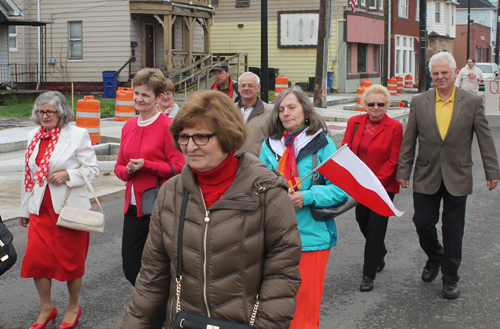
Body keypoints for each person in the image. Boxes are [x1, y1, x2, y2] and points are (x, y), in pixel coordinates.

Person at [121, 90, 302, 328]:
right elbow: (152, 275)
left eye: (201, 137)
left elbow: (281, 275)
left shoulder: (267, 192)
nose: (190, 146)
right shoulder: (171, 192)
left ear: (228, 136)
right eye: (183, 137)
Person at [397, 52, 500, 299]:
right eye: (436, 73)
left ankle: (450, 277)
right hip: (427, 173)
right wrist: (404, 169)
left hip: (458, 174)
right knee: (422, 223)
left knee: (454, 231)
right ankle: (435, 256)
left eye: (445, 72)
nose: (440, 77)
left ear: (455, 72)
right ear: (431, 75)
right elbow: (409, 139)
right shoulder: (420, 101)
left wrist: (492, 171)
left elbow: (484, 139)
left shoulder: (472, 101)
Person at [259, 86, 349, 329]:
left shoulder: (323, 143)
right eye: (281, 109)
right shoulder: (269, 146)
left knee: (305, 308)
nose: (286, 113)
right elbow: (257, 185)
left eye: (292, 107)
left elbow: (342, 188)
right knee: (273, 305)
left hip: (311, 237)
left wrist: (307, 196)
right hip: (273, 236)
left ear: (305, 112)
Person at [19, 91, 99, 329]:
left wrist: (68, 174)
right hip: (39, 209)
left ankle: (73, 306)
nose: (44, 116)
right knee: (36, 260)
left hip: (67, 209)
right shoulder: (33, 135)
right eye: (40, 111)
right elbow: (29, 176)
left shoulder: (77, 135)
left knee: (70, 261)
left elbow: (93, 170)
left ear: (61, 112)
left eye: (49, 112)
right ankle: (47, 307)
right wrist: (24, 208)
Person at [114, 68, 185, 288]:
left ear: (158, 97)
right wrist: (129, 171)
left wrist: (148, 166)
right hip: (133, 208)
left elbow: (179, 167)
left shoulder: (167, 127)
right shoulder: (128, 126)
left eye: (145, 95)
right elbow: (118, 167)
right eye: (137, 93)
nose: (139, 99)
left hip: (160, 206)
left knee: (162, 265)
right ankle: (154, 305)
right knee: (131, 267)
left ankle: (160, 312)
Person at [342, 84, 403, 292]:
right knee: (363, 221)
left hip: (384, 186)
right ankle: (380, 250)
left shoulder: (395, 127)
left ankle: (368, 274)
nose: (375, 107)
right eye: (371, 104)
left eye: (380, 104)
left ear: (387, 105)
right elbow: (346, 151)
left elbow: (393, 160)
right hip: (360, 185)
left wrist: (375, 184)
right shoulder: (355, 122)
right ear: (364, 104)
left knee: (376, 228)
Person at [236, 71, 273, 156]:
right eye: (243, 85)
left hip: (257, 165)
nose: (246, 88)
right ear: (238, 88)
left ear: (258, 88)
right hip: (233, 164)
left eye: (250, 85)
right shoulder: (229, 110)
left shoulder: (270, 112)